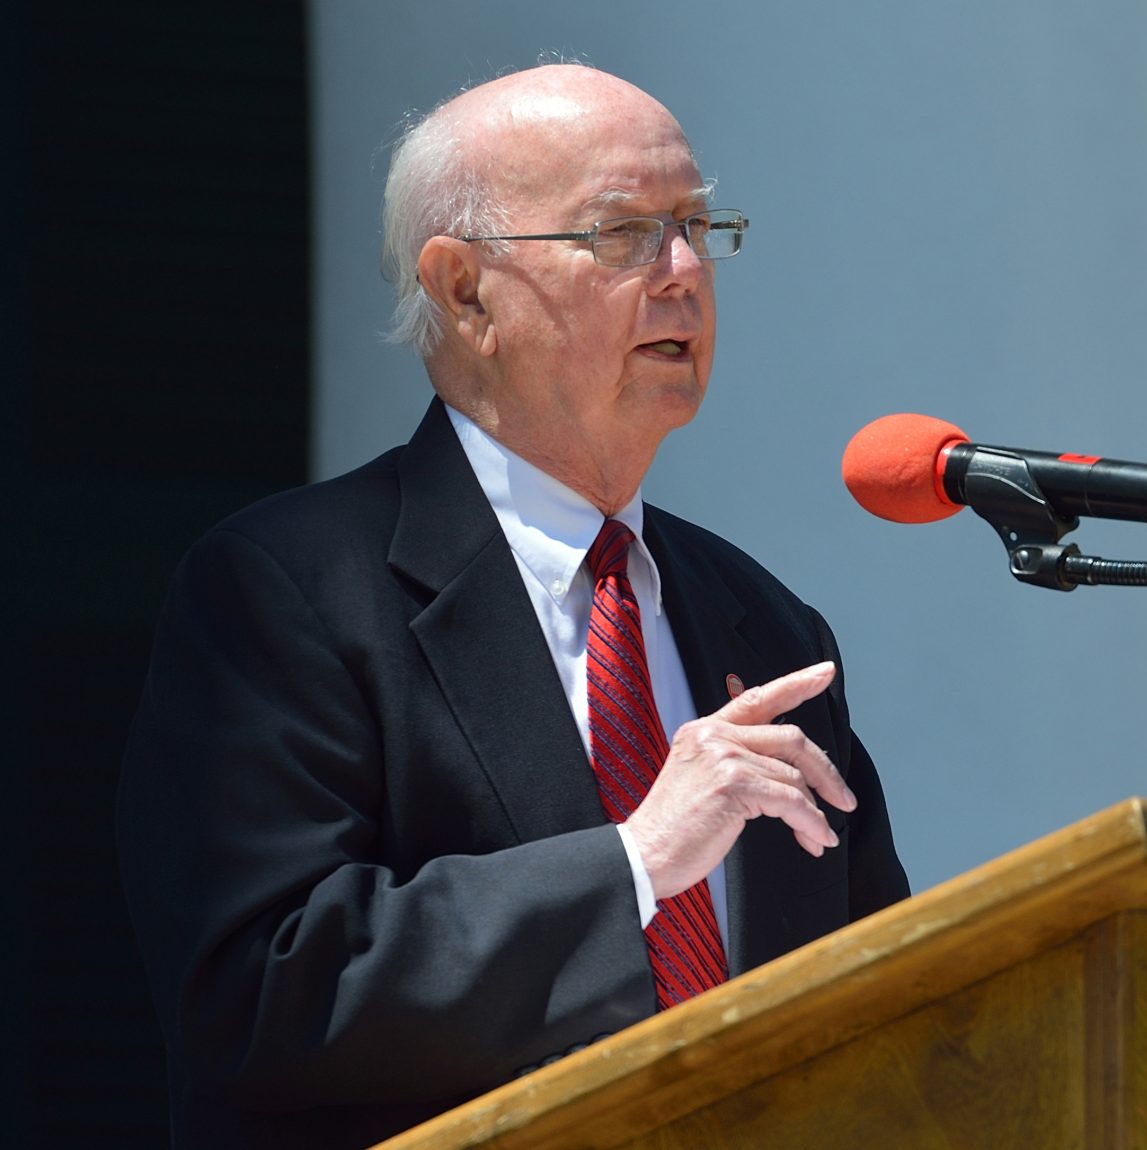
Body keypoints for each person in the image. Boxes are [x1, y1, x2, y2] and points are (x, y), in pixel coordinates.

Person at [116, 63, 910, 1148]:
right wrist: (633, 865)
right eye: (622, 232)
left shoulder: (764, 626)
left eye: (694, 225)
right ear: (465, 293)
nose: (681, 271)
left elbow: (891, 1005)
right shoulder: (285, 588)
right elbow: (259, 989)